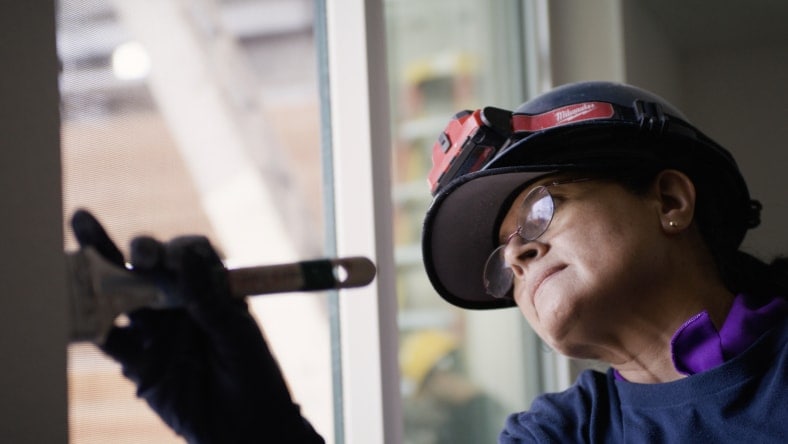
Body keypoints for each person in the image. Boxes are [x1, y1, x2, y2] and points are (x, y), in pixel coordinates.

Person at [73, 80, 787, 443]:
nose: (519, 253)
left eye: (540, 210)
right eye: (504, 258)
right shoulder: (564, 433)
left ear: (668, 199)